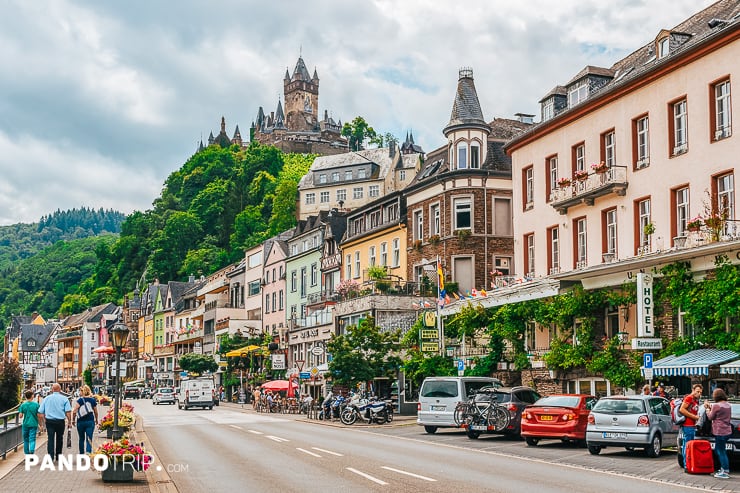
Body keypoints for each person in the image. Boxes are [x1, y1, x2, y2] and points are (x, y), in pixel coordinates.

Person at [37, 383, 72, 461]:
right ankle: (58, 455)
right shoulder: (64, 399)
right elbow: (68, 412)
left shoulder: (46, 398)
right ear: (60, 389)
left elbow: (40, 412)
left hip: (49, 421)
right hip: (60, 421)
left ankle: (50, 456)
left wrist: (43, 421)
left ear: (52, 389)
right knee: (60, 438)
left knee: (50, 438)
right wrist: (69, 421)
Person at [706, 388, 732, 479]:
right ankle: (723, 468)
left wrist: (707, 409)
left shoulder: (716, 405)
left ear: (716, 396)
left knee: (721, 451)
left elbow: (710, 417)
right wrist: (711, 407)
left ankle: (725, 470)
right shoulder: (728, 405)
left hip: (719, 431)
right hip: (727, 430)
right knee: (720, 449)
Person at [679, 383, 703, 469]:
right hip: (688, 425)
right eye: (697, 392)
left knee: (688, 444)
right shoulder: (689, 398)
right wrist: (695, 417)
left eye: (700, 392)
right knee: (687, 445)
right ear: (693, 390)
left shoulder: (695, 400)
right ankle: (686, 464)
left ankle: (687, 463)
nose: (699, 394)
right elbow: (682, 409)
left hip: (692, 425)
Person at [71, 384, 98, 454]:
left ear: (82, 391)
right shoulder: (92, 400)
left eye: (80, 391)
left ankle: (82, 453)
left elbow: (74, 411)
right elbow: (96, 411)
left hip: (81, 422)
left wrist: (73, 420)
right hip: (90, 421)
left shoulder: (80, 400)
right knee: (89, 438)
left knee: (81, 438)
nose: (79, 392)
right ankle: (88, 452)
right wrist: (96, 419)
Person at [18, 390, 40, 454]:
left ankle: (27, 453)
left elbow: (20, 416)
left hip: (25, 424)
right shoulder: (36, 405)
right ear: (32, 396)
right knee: (32, 439)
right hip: (33, 424)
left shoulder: (23, 405)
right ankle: (32, 451)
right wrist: (40, 425)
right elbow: (39, 415)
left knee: (26, 440)